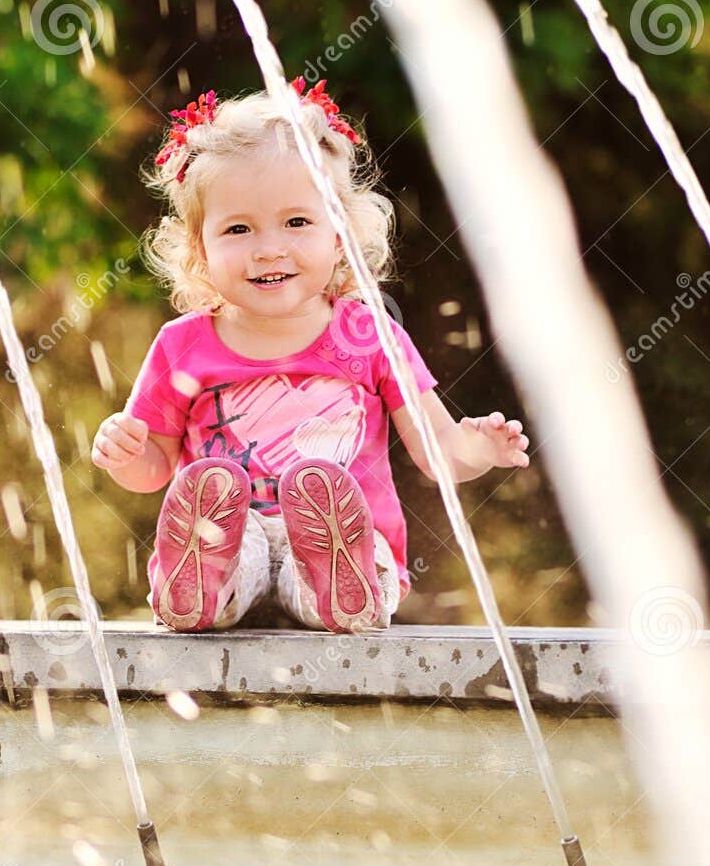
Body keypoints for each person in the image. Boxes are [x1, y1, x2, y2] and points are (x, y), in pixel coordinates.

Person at [91, 79, 530, 633]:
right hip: (237, 531)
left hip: (347, 532)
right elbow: (153, 469)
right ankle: (203, 583)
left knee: (343, 554)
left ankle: (334, 585)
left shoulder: (368, 335)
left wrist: (479, 447)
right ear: (201, 249)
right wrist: (124, 452)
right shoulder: (183, 346)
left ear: (340, 233)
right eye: (238, 228)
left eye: (297, 222)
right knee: (227, 542)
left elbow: (438, 451)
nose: (269, 247)